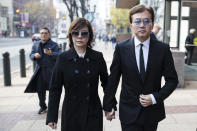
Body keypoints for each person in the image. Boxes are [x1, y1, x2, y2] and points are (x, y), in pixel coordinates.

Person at [103, 4, 178, 131]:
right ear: (131, 25)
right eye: (137, 21)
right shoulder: (121, 48)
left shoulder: (163, 49)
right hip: (128, 112)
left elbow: (172, 80)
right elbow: (113, 79)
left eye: (146, 21)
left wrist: (155, 98)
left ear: (152, 25)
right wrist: (108, 105)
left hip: (152, 113)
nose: (142, 25)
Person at [46, 18, 111, 131]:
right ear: (70, 35)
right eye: (75, 33)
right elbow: (55, 89)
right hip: (71, 112)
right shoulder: (63, 58)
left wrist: (109, 106)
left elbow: (106, 84)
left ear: (89, 36)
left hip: (93, 111)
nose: (79, 36)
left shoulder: (97, 57)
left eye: (84, 33)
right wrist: (52, 116)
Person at [24, 27, 61, 114]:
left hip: (51, 71)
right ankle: (43, 106)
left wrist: (51, 53)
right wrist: (34, 56)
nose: (43, 35)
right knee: (40, 90)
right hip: (40, 71)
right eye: (41, 33)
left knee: (52, 91)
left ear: (49, 34)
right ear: (40, 35)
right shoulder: (36, 44)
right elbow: (31, 54)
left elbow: (60, 55)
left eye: (45, 33)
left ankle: (52, 107)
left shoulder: (54, 45)